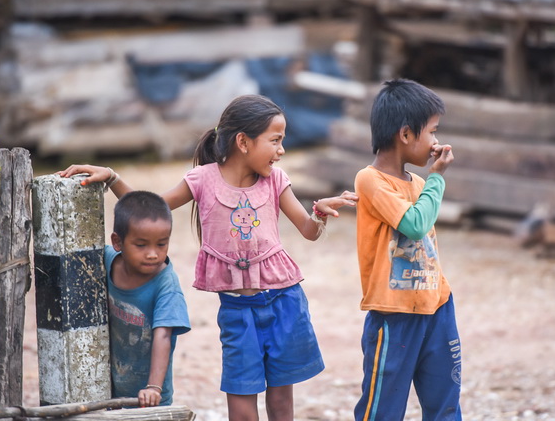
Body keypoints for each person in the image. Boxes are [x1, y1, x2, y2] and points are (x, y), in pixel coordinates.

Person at [58, 94, 358, 421]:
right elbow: (146, 208)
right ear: (243, 142)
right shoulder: (202, 179)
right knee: (241, 402)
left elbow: (308, 231)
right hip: (237, 310)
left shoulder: (276, 181)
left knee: (281, 400)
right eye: (275, 140)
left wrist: (320, 212)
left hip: (284, 301)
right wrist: (113, 177)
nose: (282, 150)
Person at [353, 79, 460, 420]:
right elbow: (414, 225)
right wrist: (438, 177)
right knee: (383, 410)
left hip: (437, 305)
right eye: (432, 132)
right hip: (393, 313)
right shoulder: (370, 180)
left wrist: (431, 181)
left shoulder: (418, 183)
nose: (436, 142)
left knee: (445, 406)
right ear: (405, 134)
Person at [106, 190, 191, 407]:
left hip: (151, 397)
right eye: (141, 245)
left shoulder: (166, 285)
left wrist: (154, 387)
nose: (153, 254)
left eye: (161, 244)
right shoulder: (106, 260)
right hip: (109, 389)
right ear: (118, 242)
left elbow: (163, 335)